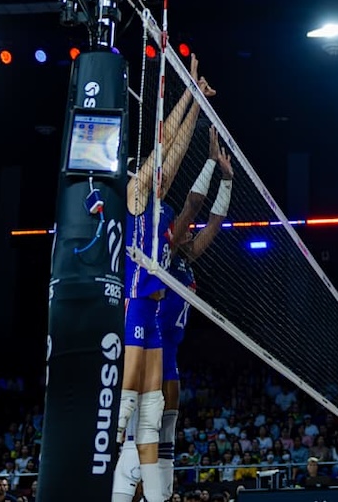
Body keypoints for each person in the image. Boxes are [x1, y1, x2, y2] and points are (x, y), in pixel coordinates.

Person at [120, 56, 214, 502]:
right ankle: (121, 486)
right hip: (138, 301)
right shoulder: (137, 196)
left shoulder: (165, 210)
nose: (163, 170)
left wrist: (196, 100)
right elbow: (165, 148)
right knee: (131, 415)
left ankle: (154, 494)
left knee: (154, 422)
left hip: (156, 312)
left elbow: (173, 153)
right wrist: (187, 97)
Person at [155, 127, 234, 498]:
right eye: (186, 230)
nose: (192, 232)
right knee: (143, 434)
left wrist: (228, 179)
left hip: (172, 357)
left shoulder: (187, 261)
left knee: (168, 435)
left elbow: (214, 222)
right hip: (150, 350)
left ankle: (163, 493)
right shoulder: (167, 256)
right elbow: (194, 207)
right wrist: (209, 160)